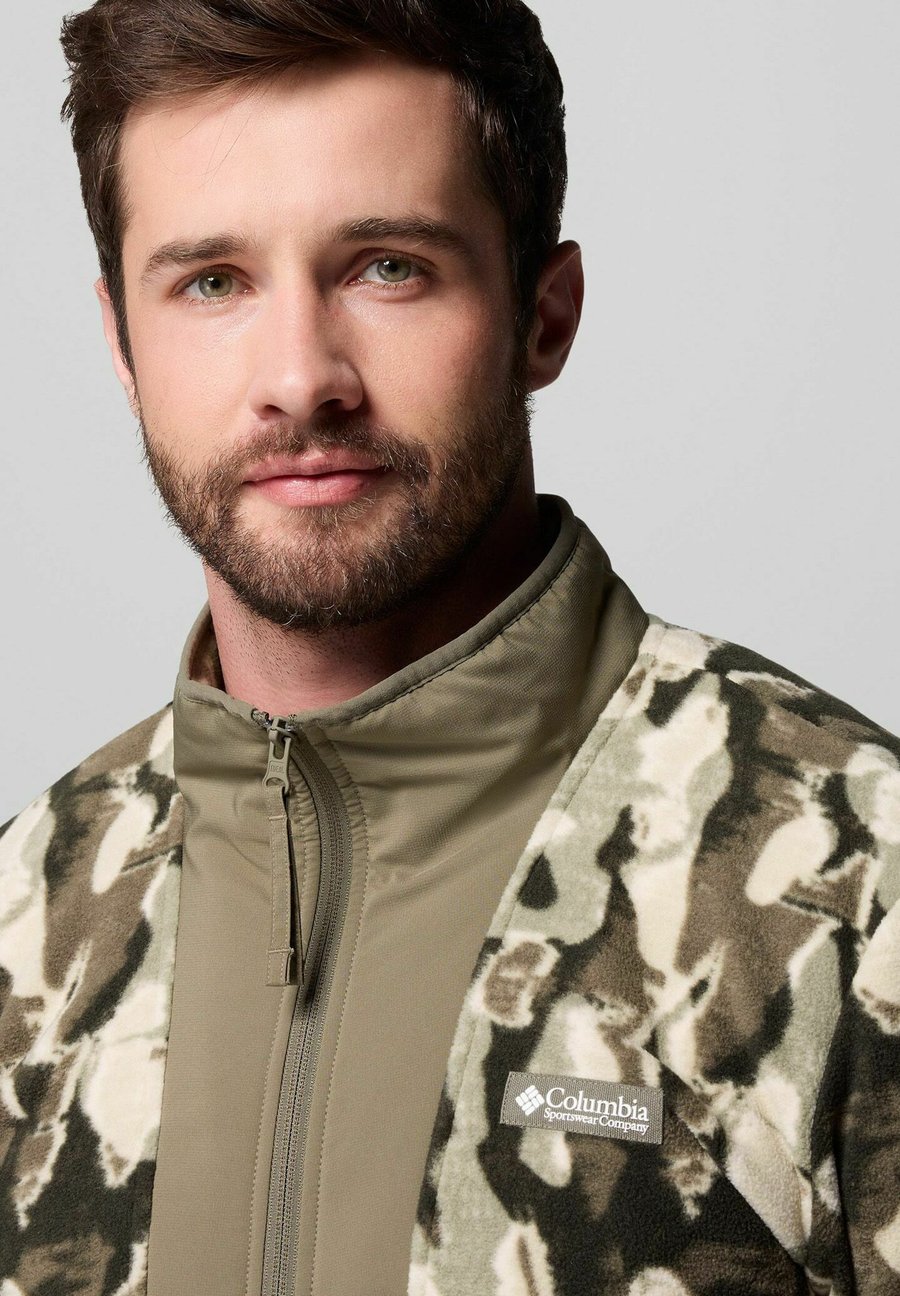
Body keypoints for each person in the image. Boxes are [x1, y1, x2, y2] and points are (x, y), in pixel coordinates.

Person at [0, 1, 898, 1293]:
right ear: (122, 344)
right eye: (213, 283)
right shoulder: (25, 927)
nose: (301, 376)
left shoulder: (859, 889)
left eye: (387, 267)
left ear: (545, 314)